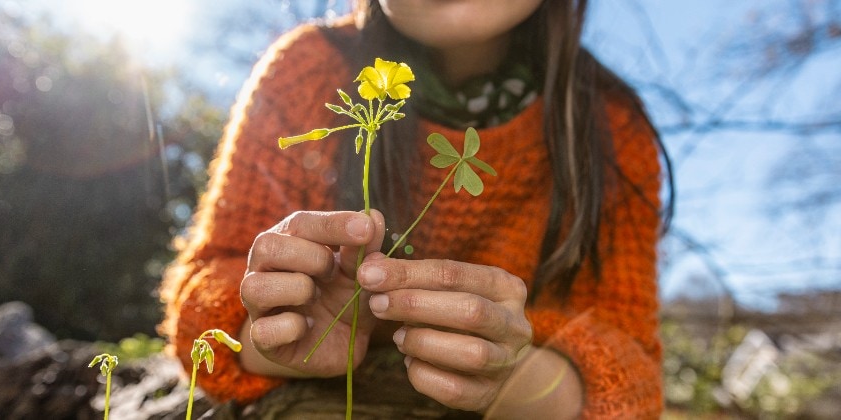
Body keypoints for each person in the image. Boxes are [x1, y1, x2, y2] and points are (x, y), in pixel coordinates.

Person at [160, 0, 672, 418]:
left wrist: (510, 380)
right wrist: (281, 333)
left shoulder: (610, 125)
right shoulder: (307, 70)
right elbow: (203, 299)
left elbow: (630, 372)